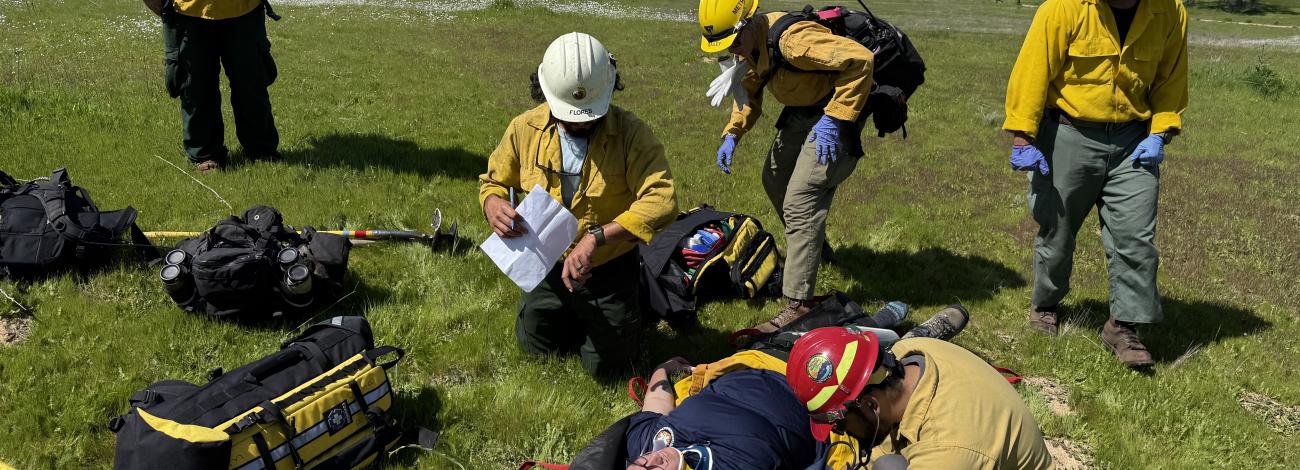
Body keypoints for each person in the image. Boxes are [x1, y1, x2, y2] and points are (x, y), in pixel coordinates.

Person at [479, 32, 677, 378]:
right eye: (570, 115)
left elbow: (663, 199)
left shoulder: (632, 135)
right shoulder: (524, 128)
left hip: (608, 268)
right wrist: (492, 203)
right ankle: (570, 312)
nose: (581, 122)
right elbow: (493, 181)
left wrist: (596, 238)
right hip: (545, 264)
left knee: (608, 368)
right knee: (535, 349)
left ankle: (631, 300)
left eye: (590, 114)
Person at [1003, 0, 1188, 368]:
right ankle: (1046, 305)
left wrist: (1160, 132)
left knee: (1135, 235)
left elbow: (1171, 77)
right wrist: (1023, 135)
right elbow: (1032, 70)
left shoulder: (1170, 10)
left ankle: (1123, 326)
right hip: (1070, 132)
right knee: (1057, 226)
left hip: (1134, 139)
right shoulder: (1063, 7)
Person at [696, 0, 880, 333]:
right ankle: (812, 247)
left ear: (749, 24)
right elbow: (749, 92)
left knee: (800, 200)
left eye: (735, 42)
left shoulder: (794, 41)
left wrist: (835, 118)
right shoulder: (750, 45)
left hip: (833, 113)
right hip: (802, 109)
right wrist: (733, 134)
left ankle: (798, 304)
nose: (733, 51)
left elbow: (860, 60)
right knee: (775, 179)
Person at [623, 305, 969, 470]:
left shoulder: (648, 440)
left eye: (640, 465)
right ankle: (918, 338)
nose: (652, 460)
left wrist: (664, 369)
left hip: (762, 361)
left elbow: (656, 398)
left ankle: (878, 320)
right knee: (877, 370)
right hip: (827, 400)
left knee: (836, 334)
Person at [786, 328, 1055, 469]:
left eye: (840, 425)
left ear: (871, 404)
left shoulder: (949, 449)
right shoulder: (909, 353)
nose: (841, 431)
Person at [148, 0, 282, 173]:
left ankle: (261, 150)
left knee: (251, 84)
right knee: (196, 88)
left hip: (245, 9)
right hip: (189, 11)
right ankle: (205, 155)